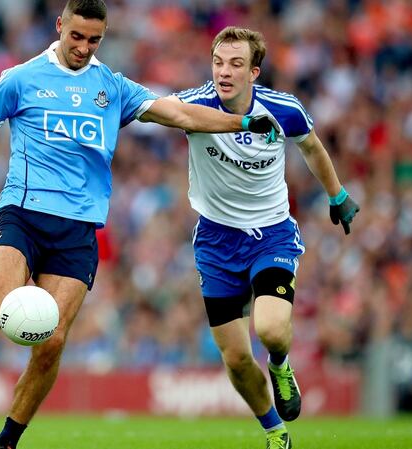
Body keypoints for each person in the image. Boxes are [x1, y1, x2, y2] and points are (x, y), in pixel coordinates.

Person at [0, 2, 277, 449]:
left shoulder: (111, 86)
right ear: (60, 27)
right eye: (77, 36)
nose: (83, 47)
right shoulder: (21, 78)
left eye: (94, 40)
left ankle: (7, 442)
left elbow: (182, 114)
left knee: (52, 341)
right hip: (23, 212)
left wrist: (242, 121)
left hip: (77, 229)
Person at [173, 27, 360, 448]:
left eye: (236, 64)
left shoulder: (283, 109)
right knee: (237, 359)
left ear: (254, 71)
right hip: (215, 243)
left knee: (272, 329)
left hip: (270, 235)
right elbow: (150, 111)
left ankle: (280, 364)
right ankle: (277, 433)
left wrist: (338, 195)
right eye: (219, 62)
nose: (224, 71)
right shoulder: (194, 104)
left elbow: (312, 147)